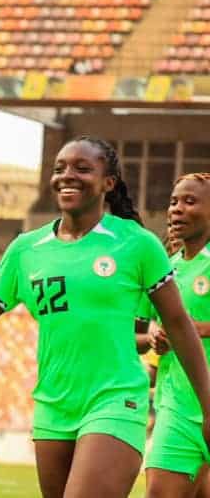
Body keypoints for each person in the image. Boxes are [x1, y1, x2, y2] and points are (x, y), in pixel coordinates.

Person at [0, 137, 210, 498]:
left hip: (115, 399)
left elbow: (178, 326)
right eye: (60, 168)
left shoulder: (137, 244)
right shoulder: (26, 249)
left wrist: (207, 405)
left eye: (82, 168)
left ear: (109, 183)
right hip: (52, 406)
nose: (67, 176)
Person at [145, 173, 210, 497]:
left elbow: (188, 329)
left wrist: (196, 329)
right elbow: (150, 333)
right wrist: (157, 335)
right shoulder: (165, 271)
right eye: (173, 202)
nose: (177, 209)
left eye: (190, 201)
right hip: (179, 407)